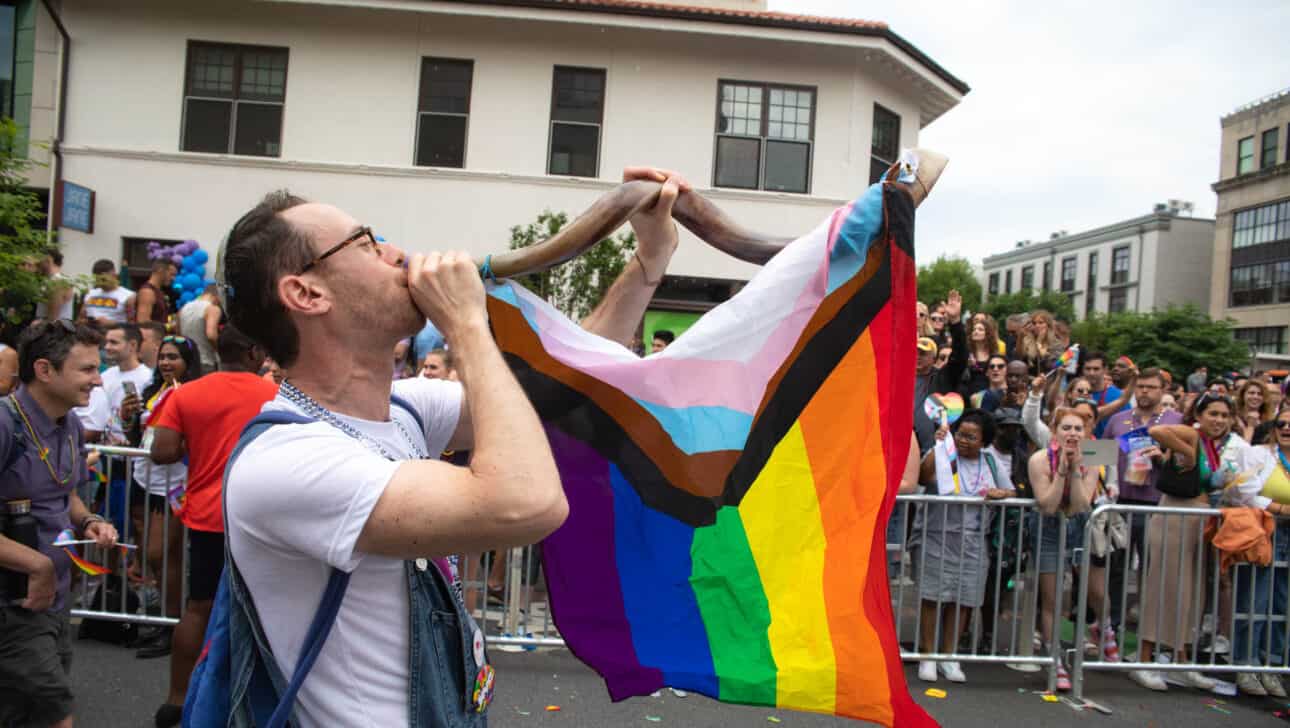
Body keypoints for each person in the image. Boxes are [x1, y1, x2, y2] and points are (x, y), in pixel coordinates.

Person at [218, 167, 687, 725]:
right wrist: (466, 323)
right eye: (366, 243)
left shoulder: (406, 408)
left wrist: (648, 261)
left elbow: (571, 387)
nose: (396, 253)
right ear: (306, 292)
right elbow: (528, 504)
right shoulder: (285, 462)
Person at [145, 326, 277, 726]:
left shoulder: (187, 393)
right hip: (259, 517)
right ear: (254, 352)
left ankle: (176, 700)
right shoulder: (274, 396)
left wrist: (199, 444)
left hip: (206, 515)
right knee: (265, 611)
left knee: (198, 607)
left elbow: (162, 452)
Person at [0, 320, 118, 728]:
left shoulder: (69, 424)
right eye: (86, 369)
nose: (98, 380)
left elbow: (63, 493)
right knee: (55, 714)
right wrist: (38, 564)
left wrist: (90, 521)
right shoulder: (4, 424)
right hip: (13, 605)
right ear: (45, 370)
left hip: (54, 602)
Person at [1132, 393, 1245, 692]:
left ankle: (1181, 661)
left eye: (1224, 415)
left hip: (1199, 520)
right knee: (1163, 587)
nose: (1219, 420)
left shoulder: (1217, 446)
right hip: (1173, 518)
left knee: (1191, 592)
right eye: (1213, 413)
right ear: (1200, 413)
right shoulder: (1191, 433)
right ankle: (1144, 660)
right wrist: (1188, 451)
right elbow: (1155, 432)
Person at [913, 409, 1014, 683]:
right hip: (937, 535)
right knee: (933, 597)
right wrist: (938, 445)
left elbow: (1013, 490)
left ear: (984, 441)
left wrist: (1001, 493)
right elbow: (923, 476)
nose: (964, 440)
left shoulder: (991, 461)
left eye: (972, 437)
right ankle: (927, 656)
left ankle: (949, 656)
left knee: (963, 600)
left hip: (973, 541)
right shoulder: (944, 453)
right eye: (961, 434)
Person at [123, 335, 203, 661]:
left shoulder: (193, 395)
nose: (167, 363)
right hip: (145, 479)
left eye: (174, 357)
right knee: (162, 556)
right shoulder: (150, 392)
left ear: (188, 362)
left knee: (159, 554)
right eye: (163, 357)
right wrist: (129, 416)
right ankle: (167, 622)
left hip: (175, 485)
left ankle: (171, 622)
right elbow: (139, 435)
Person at [1028, 407, 1105, 690]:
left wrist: (1075, 471)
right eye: (1066, 428)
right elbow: (1048, 505)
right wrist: (1062, 469)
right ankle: (1054, 658)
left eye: (1078, 429)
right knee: (1053, 599)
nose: (1072, 434)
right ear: (1054, 430)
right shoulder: (1038, 458)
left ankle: (1103, 629)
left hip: (1080, 524)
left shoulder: (1095, 454)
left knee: (1093, 589)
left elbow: (1081, 504)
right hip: (1048, 527)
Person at [1228, 410, 1290, 697]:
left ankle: (1272, 666)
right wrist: (1281, 509)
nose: (1287, 428)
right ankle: (1246, 665)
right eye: (1282, 423)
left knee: (1281, 605)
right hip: (1263, 532)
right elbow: (1246, 491)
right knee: (1255, 599)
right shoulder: (1256, 454)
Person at [913, 291, 966, 453]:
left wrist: (956, 322)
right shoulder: (900, 379)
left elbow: (960, 357)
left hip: (934, 450)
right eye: (915, 352)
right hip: (904, 450)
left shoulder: (942, 377)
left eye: (923, 353)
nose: (918, 356)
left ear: (934, 357)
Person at [178, 284, 222, 373]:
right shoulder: (212, 309)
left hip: (188, 361)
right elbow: (211, 335)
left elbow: (178, 334)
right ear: (218, 295)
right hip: (206, 361)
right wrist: (221, 351)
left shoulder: (183, 308)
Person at [78, 259, 135, 329]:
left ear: (113, 273)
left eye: (103, 279)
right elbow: (80, 319)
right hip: (90, 335)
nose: (101, 283)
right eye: (97, 279)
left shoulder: (127, 296)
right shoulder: (90, 294)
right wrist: (88, 322)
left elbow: (132, 325)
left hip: (113, 335)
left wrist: (112, 323)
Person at [961, 317, 1001, 398]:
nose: (976, 331)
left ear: (987, 334)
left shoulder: (993, 354)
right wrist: (967, 365)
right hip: (967, 393)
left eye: (980, 329)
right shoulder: (966, 351)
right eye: (974, 329)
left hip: (987, 394)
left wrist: (975, 365)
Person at [34, 248, 75, 323]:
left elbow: (53, 316)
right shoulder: (48, 281)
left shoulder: (59, 281)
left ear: (49, 259)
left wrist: (40, 324)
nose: (37, 263)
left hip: (54, 329)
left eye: (39, 260)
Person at [134, 258, 177, 326]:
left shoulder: (159, 291)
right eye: (171, 274)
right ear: (160, 270)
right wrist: (168, 326)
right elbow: (143, 321)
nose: (173, 278)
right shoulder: (147, 292)